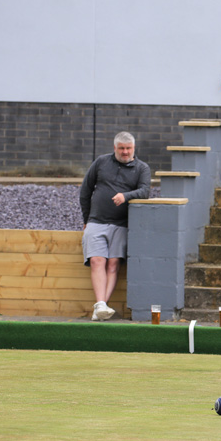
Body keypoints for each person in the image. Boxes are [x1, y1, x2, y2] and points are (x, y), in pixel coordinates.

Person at [79, 131, 151, 321]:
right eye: (122, 148)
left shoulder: (142, 168)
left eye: (128, 148)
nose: (125, 152)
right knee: (97, 261)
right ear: (115, 148)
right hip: (96, 221)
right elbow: (85, 190)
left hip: (121, 224)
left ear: (134, 148)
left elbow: (145, 191)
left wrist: (125, 196)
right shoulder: (101, 162)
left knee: (113, 264)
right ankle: (101, 305)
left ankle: (101, 306)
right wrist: (86, 219)